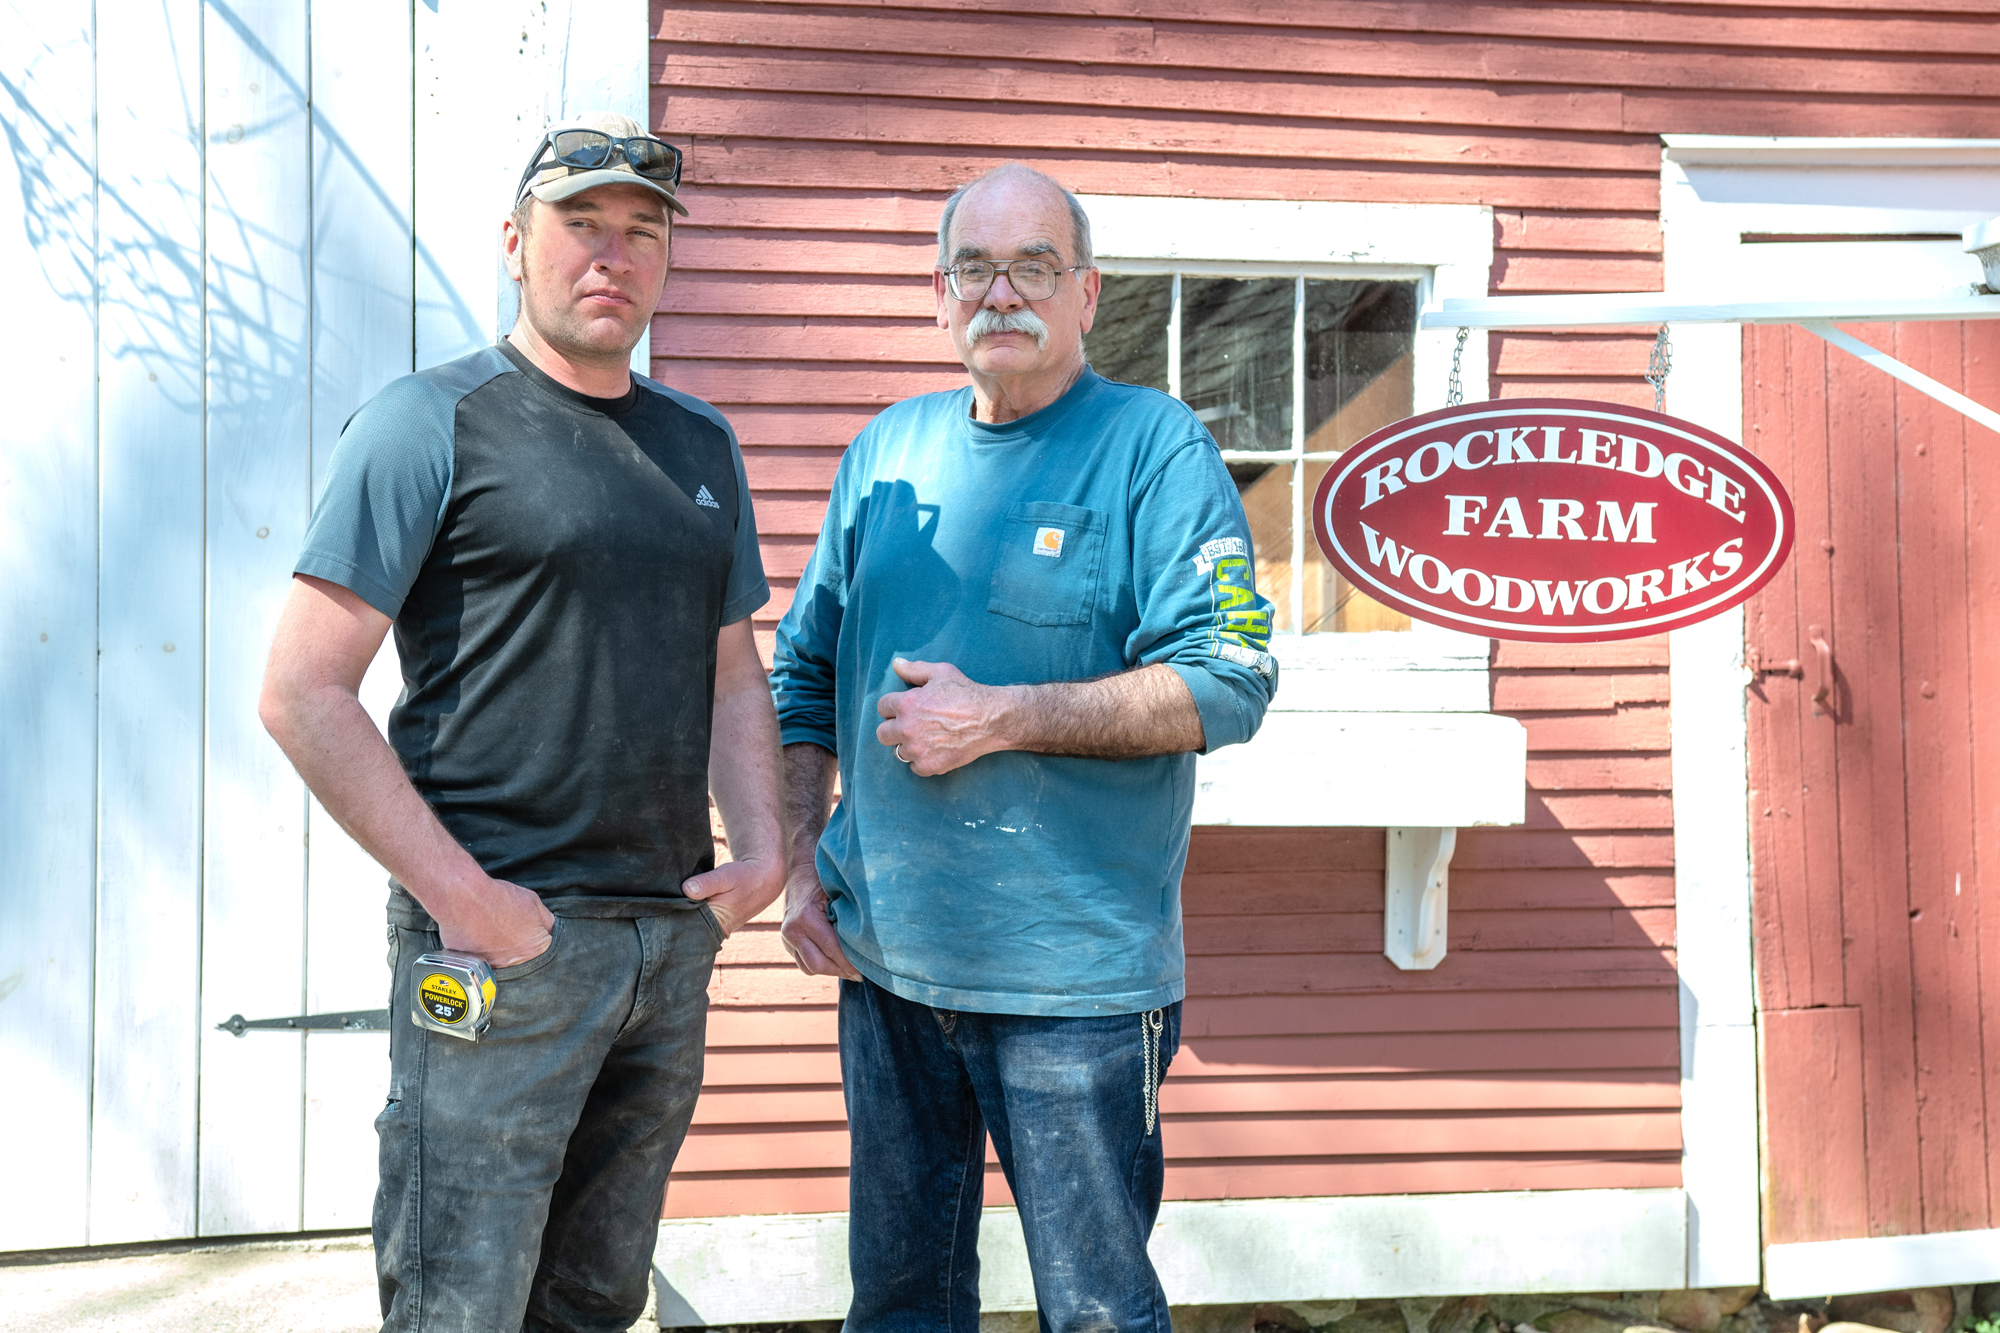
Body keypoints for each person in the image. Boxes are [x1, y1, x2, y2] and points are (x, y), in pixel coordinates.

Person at [258, 111, 784, 1333]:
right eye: (580, 225)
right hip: (501, 952)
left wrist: (763, 851)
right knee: (461, 1303)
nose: (612, 255)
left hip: (666, 945)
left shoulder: (697, 443)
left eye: (641, 233)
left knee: (596, 1299)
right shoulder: (428, 421)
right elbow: (301, 691)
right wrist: (466, 898)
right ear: (513, 242)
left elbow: (732, 674)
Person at [769, 163, 1278, 1332]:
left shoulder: (1154, 450)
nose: (1003, 294)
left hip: (1076, 990)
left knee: (1095, 1311)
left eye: (1035, 267)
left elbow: (1229, 679)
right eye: (974, 269)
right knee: (898, 1302)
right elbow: (800, 672)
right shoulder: (886, 452)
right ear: (939, 296)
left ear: (1087, 293)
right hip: (888, 969)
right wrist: (800, 858)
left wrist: (1000, 714)